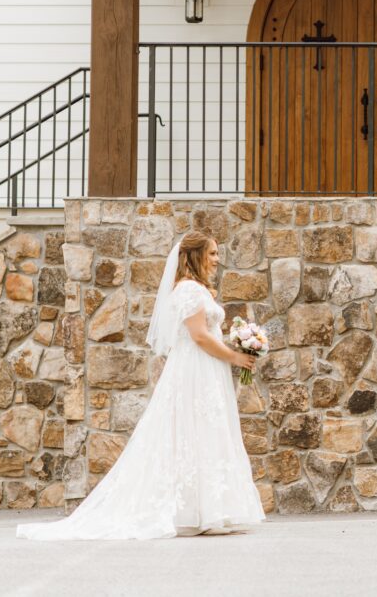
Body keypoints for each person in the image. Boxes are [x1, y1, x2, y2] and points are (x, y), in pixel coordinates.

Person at [17, 231, 265, 540]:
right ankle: (196, 513)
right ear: (195, 256)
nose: (217, 259)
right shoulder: (188, 289)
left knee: (206, 432)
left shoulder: (199, 289)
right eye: (212, 253)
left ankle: (210, 510)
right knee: (193, 431)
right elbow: (199, 336)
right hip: (195, 370)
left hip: (206, 370)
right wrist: (234, 357)